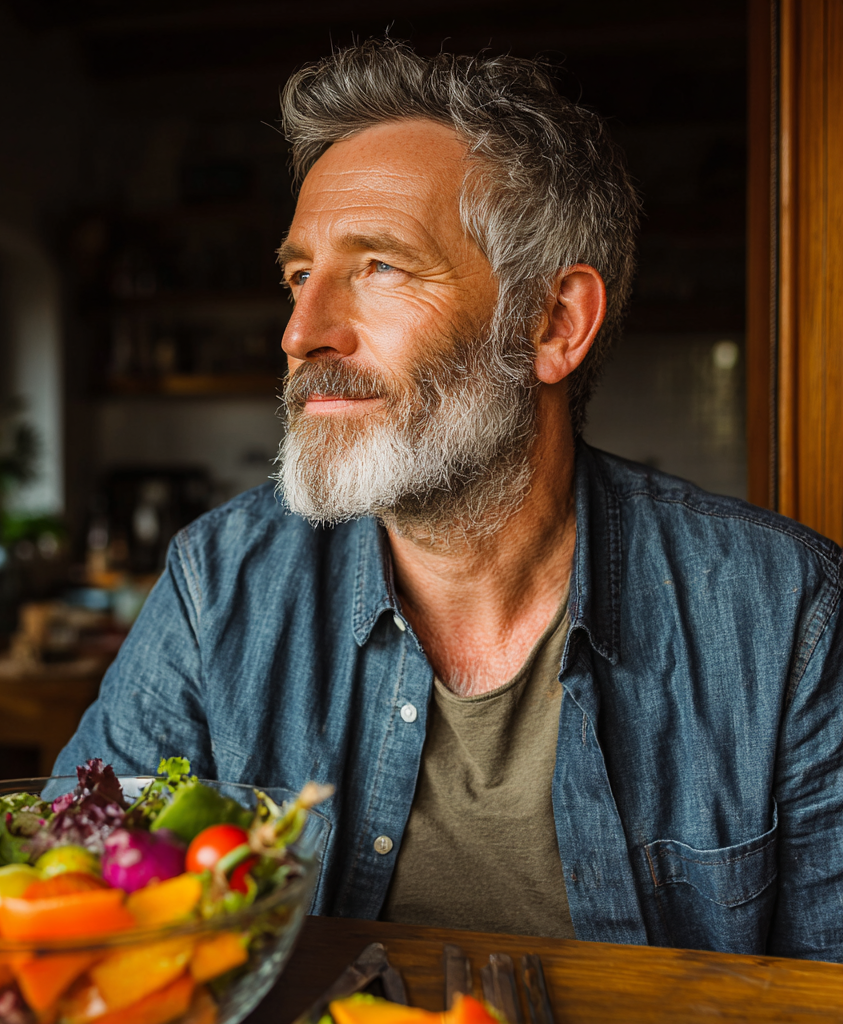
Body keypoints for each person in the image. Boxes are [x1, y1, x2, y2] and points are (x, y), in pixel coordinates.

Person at [54, 41, 843, 961]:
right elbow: (79, 916)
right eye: (299, 274)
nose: (300, 333)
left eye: (380, 266)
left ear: (554, 323)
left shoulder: (785, 612)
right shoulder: (218, 585)